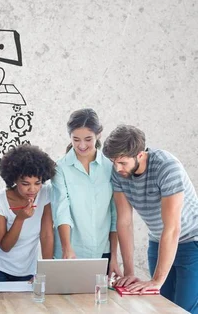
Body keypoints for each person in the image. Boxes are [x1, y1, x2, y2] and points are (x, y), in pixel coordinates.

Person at [104, 125, 198, 313]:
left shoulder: (166, 167)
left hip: (191, 243)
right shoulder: (119, 172)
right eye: (113, 162)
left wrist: (156, 281)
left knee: (183, 309)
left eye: (122, 162)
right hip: (157, 241)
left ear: (140, 155)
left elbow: (172, 228)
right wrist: (130, 272)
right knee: (160, 307)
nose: (117, 168)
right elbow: (124, 222)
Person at [51, 108, 122, 278]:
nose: (82, 145)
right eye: (76, 139)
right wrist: (67, 249)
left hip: (102, 252)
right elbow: (62, 210)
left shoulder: (110, 167)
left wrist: (114, 257)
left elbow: (115, 215)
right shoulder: (60, 168)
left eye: (88, 139)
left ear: (99, 135)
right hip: (71, 253)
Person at [0, 144, 56, 281]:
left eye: (37, 183)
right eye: (25, 184)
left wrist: (46, 272)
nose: (32, 189)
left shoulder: (46, 193)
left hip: (28, 270)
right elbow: (5, 246)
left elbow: (46, 234)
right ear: (14, 179)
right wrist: (20, 219)